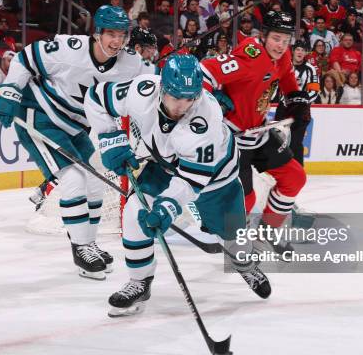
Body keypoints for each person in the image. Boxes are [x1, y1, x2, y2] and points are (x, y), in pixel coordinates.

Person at [83, 54, 271, 317]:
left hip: (216, 178)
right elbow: (96, 97)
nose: (182, 105)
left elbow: (191, 181)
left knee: (232, 236)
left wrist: (167, 208)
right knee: (134, 211)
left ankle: (244, 263)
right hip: (163, 163)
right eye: (175, 96)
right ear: (162, 88)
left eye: (189, 98)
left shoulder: (206, 119)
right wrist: (109, 137)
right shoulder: (142, 90)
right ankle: (140, 281)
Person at [0, 6, 151, 280]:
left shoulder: (132, 63)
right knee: (74, 178)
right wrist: (10, 90)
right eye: (110, 34)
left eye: (121, 35)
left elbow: (150, 87)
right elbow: (25, 58)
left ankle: (88, 244)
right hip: (39, 114)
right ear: (97, 33)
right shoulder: (69, 49)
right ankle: (80, 248)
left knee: (96, 180)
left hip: (75, 126)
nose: (116, 41)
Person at [200, 11, 309, 255]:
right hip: (233, 139)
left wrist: (296, 100)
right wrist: (212, 99)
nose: (281, 46)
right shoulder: (249, 57)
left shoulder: (282, 56)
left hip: (258, 131)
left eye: (286, 40)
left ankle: (267, 233)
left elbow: (287, 78)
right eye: (276, 39)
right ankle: (227, 235)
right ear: (264, 36)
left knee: (294, 177)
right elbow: (202, 72)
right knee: (244, 200)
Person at [273, 40, 319, 166]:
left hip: (301, 110)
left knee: (295, 141)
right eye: (298, 49)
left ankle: (297, 170)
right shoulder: (284, 65)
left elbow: (314, 91)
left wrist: (301, 100)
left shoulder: (310, 69)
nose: (300, 52)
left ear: (306, 53)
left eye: (303, 50)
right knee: (277, 140)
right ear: (293, 51)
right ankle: (278, 169)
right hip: (284, 107)